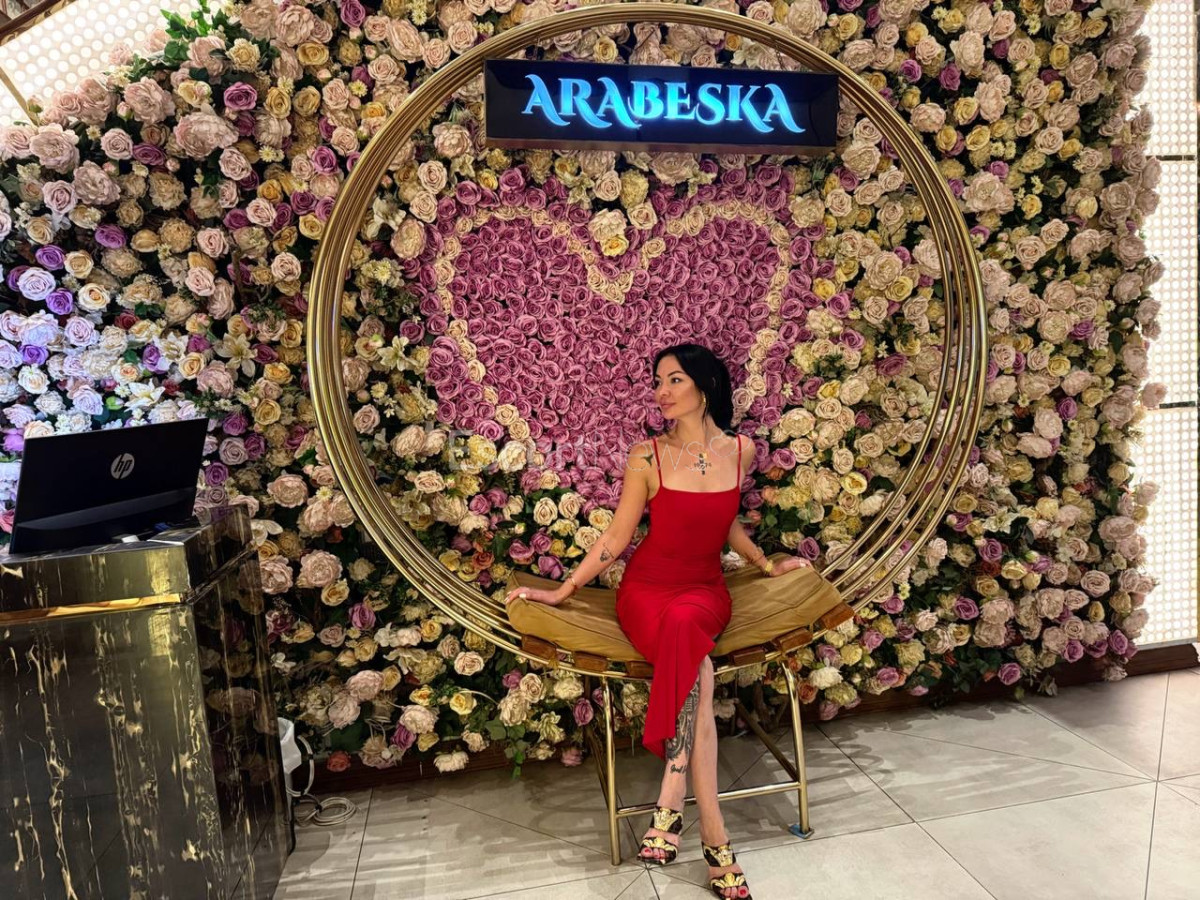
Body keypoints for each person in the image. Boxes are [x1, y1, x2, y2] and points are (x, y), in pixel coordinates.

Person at [505, 343, 812, 900]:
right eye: (657, 381)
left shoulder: (741, 451)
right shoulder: (646, 456)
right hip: (647, 591)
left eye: (673, 379)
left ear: (704, 386)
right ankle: (714, 837)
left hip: (704, 591)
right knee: (698, 663)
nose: (661, 391)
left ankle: (672, 798)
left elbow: (727, 525)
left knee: (690, 637)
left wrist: (766, 564)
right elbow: (618, 538)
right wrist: (565, 590)